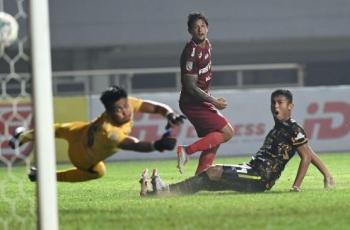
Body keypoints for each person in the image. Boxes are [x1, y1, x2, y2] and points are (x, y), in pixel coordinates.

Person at [140, 89, 335, 196]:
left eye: (280, 103)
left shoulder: (293, 128)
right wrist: (327, 175)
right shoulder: (280, 128)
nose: (275, 106)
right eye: (273, 102)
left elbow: (306, 156)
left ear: (290, 106)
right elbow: (309, 151)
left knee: (213, 172)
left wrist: (297, 186)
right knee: (207, 181)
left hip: (261, 177)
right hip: (252, 170)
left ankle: (165, 190)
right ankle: (162, 192)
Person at [9, 85, 185, 182]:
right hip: (81, 156)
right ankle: (43, 175)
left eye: (125, 106)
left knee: (59, 128)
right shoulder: (108, 131)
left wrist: (170, 114)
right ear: (108, 111)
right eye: (118, 110)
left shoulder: (127, 104)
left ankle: (22, 137)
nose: (125, 111)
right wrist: (157, 145)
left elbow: (154, 107)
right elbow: (133, 144)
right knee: (99, 171)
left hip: (81, 131)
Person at [177, 12, 234, 175]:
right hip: (192, 103)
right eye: (195, 27)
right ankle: (186, 151)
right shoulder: (190, 53)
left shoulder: (208, 44)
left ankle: (199, 178)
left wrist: (210, 99)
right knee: (227, 132)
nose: (200, 30)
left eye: (202, 26)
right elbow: (190, 87)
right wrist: (214, 101)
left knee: (214, 139)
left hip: (201, 101)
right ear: (190, 31)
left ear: (207, 28)